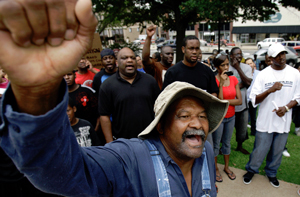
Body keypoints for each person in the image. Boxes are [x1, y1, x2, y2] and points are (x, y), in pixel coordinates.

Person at [0, 1, 232, 196]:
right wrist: (37, 89)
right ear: (160, 124)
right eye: (184, 115)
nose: (197, 123)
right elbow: (60, 171)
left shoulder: (205, 152)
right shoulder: (130, 159)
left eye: (202, 116)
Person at [244, 43, 300, 188]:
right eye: (277, 55)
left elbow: (298, 96)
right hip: (265, 121)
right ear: (270, 58)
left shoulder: (295, 73)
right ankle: (251, 170)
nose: (281, 58)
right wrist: (270, 90)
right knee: (260, 149)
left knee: (277, 151)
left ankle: (271, 173)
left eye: (283, 54)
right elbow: (254, 99)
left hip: (284, 120)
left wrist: (287, 107)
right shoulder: (263, 74)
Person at [162, 35, 219, 147]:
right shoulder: (173, 72)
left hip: (202, 120)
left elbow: (214, 93)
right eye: (191, 48)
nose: (194, 52)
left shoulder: (207, 71)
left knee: (206, 150)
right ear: (183, 49)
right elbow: (165, 98)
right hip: (180, 121)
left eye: (197, 49)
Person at [99, 47, 160, 143]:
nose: (129, 60)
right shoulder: (107, 85)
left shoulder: (150, 81)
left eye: (132, 58)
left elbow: (160, 108)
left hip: (151, 139)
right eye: (124, 58)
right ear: (117, 62)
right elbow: (104, 116)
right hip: (123, 142)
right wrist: (110, 143)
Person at [212, 52, 242, 182]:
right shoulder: (214, 80)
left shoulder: (234, 79)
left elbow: (239, 101)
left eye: (227, 64)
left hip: (231, 117)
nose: (226, 68)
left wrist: (225, 102)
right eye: (223, 65)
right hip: (220, 117)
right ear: (217, 67)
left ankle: (226, 167)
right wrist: (221, 85)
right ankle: (216, 168)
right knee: (216, 145)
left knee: (227, 143)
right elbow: (219, 100)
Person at [229, 47, 253, 154]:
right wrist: (240, 85)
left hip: (242, 104)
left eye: (240, 54)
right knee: (227, 127)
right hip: (229, 104)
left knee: (242, 128)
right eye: (236, 54)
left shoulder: (246, 67)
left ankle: (240, 146)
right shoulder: (227, 66)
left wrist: (238, 68)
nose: (239, 56)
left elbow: (248, 83)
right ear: (231, 56)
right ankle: (224, 146)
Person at [142, 25, 174, 89]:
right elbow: (145, 59)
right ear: (161, 55)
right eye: (168, 54)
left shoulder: (175, 67)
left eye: (172, 54)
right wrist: (149, 37)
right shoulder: (155, 67)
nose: (170, 56)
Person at [245, 58, 259, 136]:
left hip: (254, 98)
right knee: (245, 117)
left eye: (250, 63)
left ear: (254, 64)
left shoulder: (259, 74)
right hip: (246, 98)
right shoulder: (245, 73)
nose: (249, 65)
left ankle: (254, 132)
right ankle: (244, 133)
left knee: (253, 117)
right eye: (247, 64)